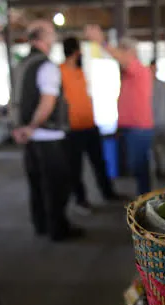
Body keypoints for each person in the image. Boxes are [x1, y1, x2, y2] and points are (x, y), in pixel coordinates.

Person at [12, 20, 82, 241]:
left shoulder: (21, 65)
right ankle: (58, 230)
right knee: (57, 185)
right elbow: (47, 101)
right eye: (51, 34)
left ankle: (41, 225)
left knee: (36, 184)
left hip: (28, 136)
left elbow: (16, 100)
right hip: (47, 135)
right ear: (42, 38)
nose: (54, 38)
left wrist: (19, 129)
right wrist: (32, 127)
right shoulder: (47, 65)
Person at [84, 25, 153, 195]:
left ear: (131, 53)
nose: (118, 55)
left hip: (139, 128)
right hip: (132, 127)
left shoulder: (138, 69)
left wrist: (101, 42)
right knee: (137, 167)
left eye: (123, 51)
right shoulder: (130, 72)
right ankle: (143, 200)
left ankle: (145, 202)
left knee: (140, 168)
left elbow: (121, 58)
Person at [61, 37, 118, 214]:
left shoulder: (80, 71)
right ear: (75, 51)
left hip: (90, 125)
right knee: (75, 169)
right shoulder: (59, 71)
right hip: (72, 129)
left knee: (99, 162)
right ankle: (81, 201)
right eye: (80, 50)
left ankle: (107, 192)